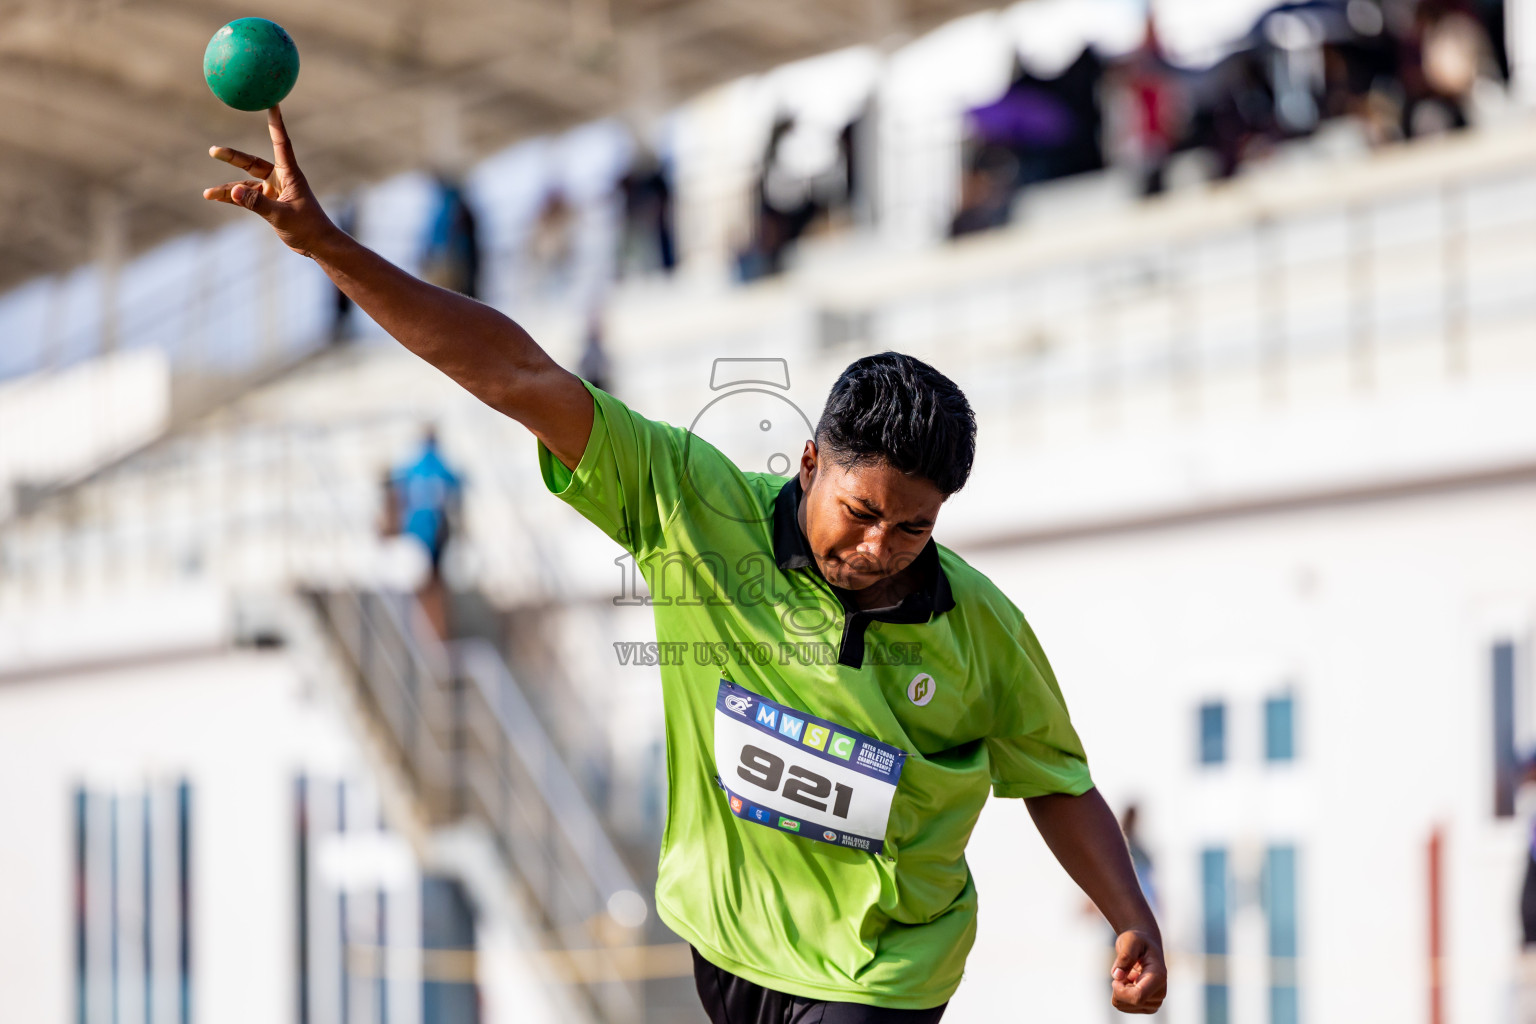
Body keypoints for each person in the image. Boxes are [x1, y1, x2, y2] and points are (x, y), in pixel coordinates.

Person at [201, 107, 1167, 1021]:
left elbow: (1054, 776)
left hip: (884, 973)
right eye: (862, 513)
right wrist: (327, 245)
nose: (878, 549)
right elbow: (520, 374)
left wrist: (1128, 912)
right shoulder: (691, 503)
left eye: (913, 529)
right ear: (808, 465)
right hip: (724, 946)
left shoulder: (979, 625)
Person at [388, 426, 463, 638]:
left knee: (423, 585)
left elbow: (396, 490)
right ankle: (435, 633)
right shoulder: (438, 465)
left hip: (416, 532)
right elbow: (458, 484)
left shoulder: (411, 468)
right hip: (434, 532)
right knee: (434, 584)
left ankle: (427, 633)